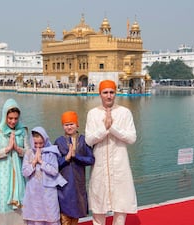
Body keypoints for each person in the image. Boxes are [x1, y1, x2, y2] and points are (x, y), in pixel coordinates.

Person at [85, 80, 137, 225]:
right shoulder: (93, 114)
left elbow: (132, 138)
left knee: (121, 209)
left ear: (116, 93)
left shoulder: (124, 113)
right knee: (98, 208)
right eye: (105, 92)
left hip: (120, 165)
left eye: (111, 92)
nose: (109, 96)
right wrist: (104, 129)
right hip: (99, 166)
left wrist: (112, 127)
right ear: (99, 94)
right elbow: (89, 140)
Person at [0, 98, 30, 225]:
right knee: (2, 206)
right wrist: (7, 149)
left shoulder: (22, 131)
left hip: (20, 177)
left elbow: (29, 153)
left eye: (16, 118)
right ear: (4, 115)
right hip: (1, 177)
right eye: (10, 118)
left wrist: (17, 149)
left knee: (21, 209)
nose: (13, 121)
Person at [54, 111, 95, 225]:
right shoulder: (59, 141)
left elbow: (91, 159)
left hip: (78, 186)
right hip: (64, 188)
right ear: (63, 126)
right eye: (66, 124)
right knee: (64, 218)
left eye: (71, 124)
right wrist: (66, 159)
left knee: (75, 219)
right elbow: (54, 164)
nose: (69, 127)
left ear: (77, 124)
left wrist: (75, 156)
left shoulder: (83, 140)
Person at [22, 126, 67, 225]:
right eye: (35, 143)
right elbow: (25, 173)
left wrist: (41, 162)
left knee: (51, 217)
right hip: (33, 192)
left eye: (41, 143)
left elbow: (54, 171)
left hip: (48, 192)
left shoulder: (51, 152)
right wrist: (34, 162)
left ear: (45, 140)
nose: (38, 146)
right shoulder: (29, 153)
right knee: (35, 219)